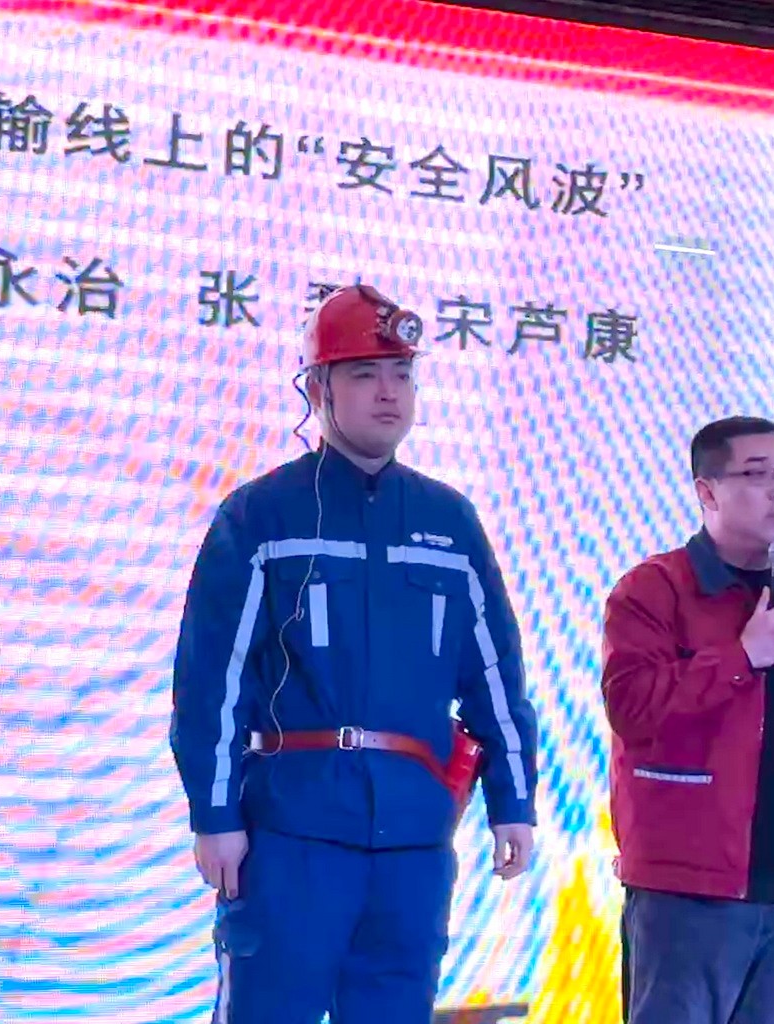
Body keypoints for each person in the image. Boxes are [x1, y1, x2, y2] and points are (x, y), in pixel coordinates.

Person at [170, 284, 539, 1024]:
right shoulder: (262, 516)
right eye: (365, 374)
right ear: (317, 389)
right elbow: (212, 682)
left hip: (414, 844)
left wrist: (514, 802)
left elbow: (496, 678)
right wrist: (214, 815)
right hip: (292, 836)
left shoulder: (449, 522)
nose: (389, 393)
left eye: (403, 374)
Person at [600, 415, 774, 1024]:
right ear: (707, 492)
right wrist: (741, 657)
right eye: (756, 474)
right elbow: (632, 708)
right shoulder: (654, 590)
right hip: (689, 890)